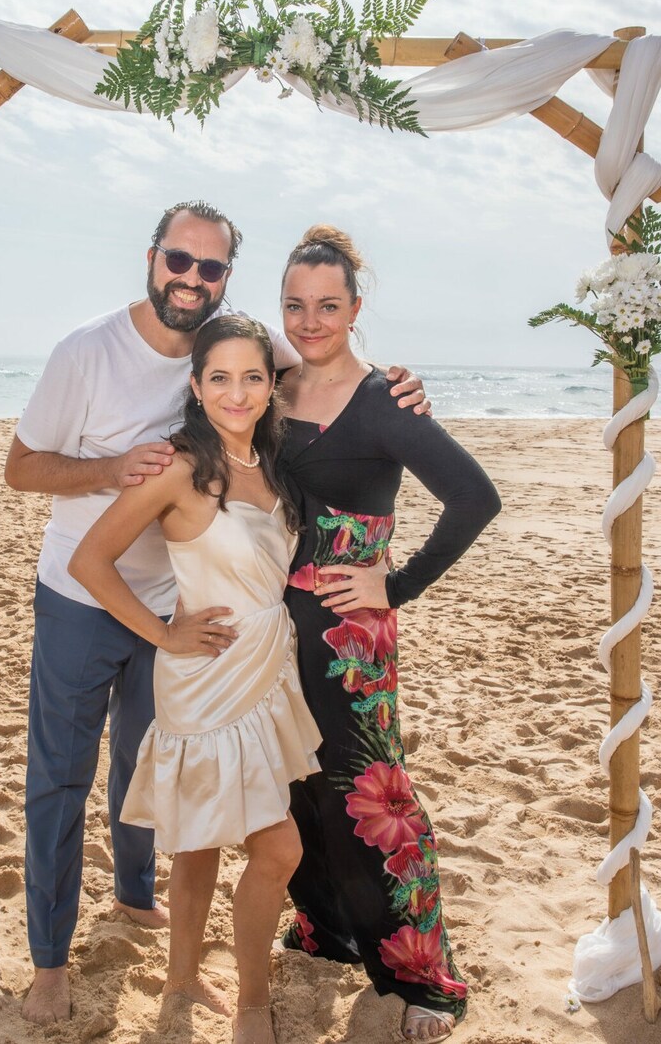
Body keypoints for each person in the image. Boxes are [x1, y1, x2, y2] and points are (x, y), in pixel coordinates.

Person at [4, 199, 428, 1024]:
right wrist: (112, 470)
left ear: (227, 277)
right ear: (153, 257)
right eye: (179, 260)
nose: (191, 278)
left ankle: (144, 917)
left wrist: (394, 383)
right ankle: (51, 963)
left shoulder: (245, 359)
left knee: (156, 787)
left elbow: (319, 361)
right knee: (62, 778)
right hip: (86, 601)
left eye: (210, 267)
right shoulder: (88, 353)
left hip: (202, 617)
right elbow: (22, 470)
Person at [273, 226, 501, 1044]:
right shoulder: (276, 382)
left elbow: (475, 499)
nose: (310, 320)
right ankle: (327, 928)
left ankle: (422, 975)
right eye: (296, 305)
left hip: (349, 638)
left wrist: (393, 585)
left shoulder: (382, 401)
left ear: (355, 308)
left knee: (370, 797)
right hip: (275, 631)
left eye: (328, 305)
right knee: (298, 787)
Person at [69, 315, 319, 1044]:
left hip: (267, 672)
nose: (236, 393)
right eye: (219, 377)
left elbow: (326, 372)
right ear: (195, 385)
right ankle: (250, 1006)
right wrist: (163, 634)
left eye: (251, 376)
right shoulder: (180, 468)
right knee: (278, 850)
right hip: (204, 674)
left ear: (272, 385)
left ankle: (180, 976)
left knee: (203, 841)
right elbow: (90, 560)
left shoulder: (273, 460)